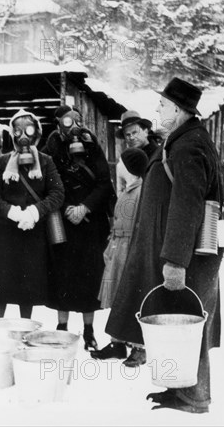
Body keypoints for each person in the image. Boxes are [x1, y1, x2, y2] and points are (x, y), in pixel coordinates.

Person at [105, 77, 223, 414]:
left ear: (178, 110)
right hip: (178, 250)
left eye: (162, 104)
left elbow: (188, 205)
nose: (157, 109)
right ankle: (180, 389)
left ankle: (194, 396)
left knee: (189, 321)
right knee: (176, 322)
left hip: (186, 255)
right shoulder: (182, 140)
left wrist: (175, 261)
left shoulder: (189, 145)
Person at [42, 105, 116, 351]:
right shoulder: (50, 147)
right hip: (61, 220)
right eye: (65, 122)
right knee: (62, 271)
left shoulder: (91, 144)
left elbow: (104, 183)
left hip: (90, 221)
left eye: (75, 121)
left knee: (89, 275)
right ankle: (62, 327)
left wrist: (85, 207)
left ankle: (88, 331)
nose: (71, 127)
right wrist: (64, 207)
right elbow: (45, 182)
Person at [0, 109, 64, 320]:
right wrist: (13, 212)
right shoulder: (2, 162)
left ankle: (25, 330)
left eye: (28, 129)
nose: (23, 136)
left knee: (28, 287)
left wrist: (36, 211)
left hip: (33, 233)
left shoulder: (46, 161)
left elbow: (57, 193)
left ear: (36, 132)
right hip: (4, 233)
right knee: (1, 285)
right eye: (17, 130)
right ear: (12, 133)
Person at [91, 148, 148, 366]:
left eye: (122, 162)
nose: (118, 165)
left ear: (129, 166)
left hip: (130, 249)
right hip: (118, 246)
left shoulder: (142, 191)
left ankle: (139, 347)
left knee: (131, 296)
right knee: (117, 296)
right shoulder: (129, 189)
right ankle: (117, 343)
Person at [115, 110, 158, 195]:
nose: (131, 137)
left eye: (135, 132)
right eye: (127, 135)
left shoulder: (159, 154)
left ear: (145, 132)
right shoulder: (125, 161)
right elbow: (121, 191)